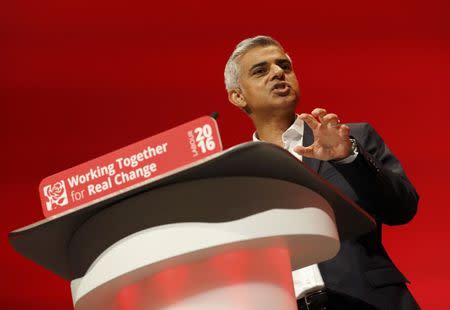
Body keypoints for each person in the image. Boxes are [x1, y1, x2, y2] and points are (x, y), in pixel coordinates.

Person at [224, 35, 420, 310]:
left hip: (369, 302)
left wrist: (348, 157)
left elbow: (403, 208)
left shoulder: (350, 139)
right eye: (261, 70)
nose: (278, 72)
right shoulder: (234, 176)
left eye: (284, 66)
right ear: (237, 96)